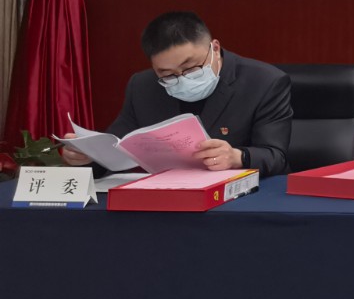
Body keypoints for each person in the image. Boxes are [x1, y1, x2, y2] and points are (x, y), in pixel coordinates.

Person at [61, 11, 291, 177]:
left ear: (214, 48)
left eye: (191, 68)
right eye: (167, 74)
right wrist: (88, 156)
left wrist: (237, 156)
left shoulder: (264, 82)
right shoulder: (143, 86)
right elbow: (117, 146)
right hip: (166, 200)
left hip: (238, 199)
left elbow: (276, 156)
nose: (182, 78)